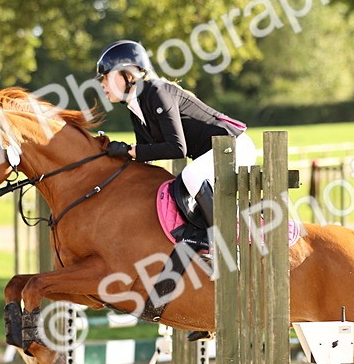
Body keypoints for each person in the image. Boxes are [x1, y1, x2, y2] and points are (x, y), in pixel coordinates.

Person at [96, 40, 253, 231]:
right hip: (215, 154)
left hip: (234, 147)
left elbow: (177, 148)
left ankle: (227, 237)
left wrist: (129, 150)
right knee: (186, 179)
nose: (102, 84)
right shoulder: (136, 107)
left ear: (128, 75)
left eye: (106, 77)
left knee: (191, 175)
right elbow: (145, 156)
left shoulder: (157, 92)